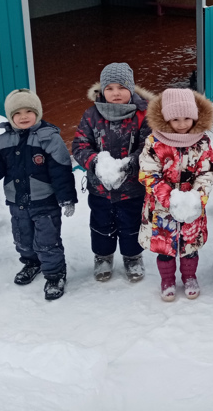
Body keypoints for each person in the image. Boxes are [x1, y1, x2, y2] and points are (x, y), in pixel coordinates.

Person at [0, 89, 77, 300]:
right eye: (17, 113)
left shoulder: (49, 138)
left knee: (47, 241)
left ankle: (54, 274)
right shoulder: (2, 141)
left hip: (45, 201)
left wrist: (67, 197)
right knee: (22, 238)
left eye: (29, 111)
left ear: (38, 112)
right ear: (10, 116)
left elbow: (61, 170)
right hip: (17, 202)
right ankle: (32, 263)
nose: (23, 116)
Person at [72, 62, 153, 282]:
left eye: (121, 87)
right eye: (109, 88)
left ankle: (133, 256)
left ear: (131, 89)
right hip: (100, 188)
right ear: (102, 91)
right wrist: (95, 161)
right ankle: (103, 256)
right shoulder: (91, 115)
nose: (116, 93)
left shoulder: (143, 114)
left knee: (131, 224)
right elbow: (79, 145)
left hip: (133, 188)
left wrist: (130, 164)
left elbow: (148, 146)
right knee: (101, 224)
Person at [138, 88, 213, 302]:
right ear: (165, 119)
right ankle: (167, 279)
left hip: (192, 207)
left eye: (187, 118)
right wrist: (169, 198)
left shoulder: (202, 142)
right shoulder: (154, 142)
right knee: (166, 248)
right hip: (162, 208)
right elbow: (148, 173)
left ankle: (189, 276)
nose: (182, 124)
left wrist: (197, 198)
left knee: (189, 246)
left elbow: (206, 172)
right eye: (175, 119)